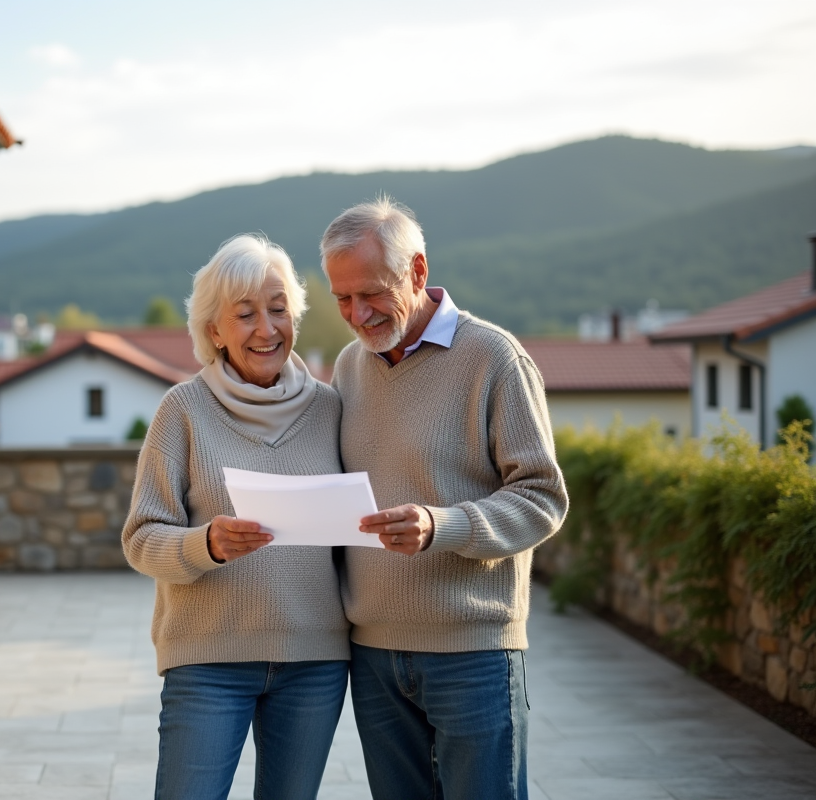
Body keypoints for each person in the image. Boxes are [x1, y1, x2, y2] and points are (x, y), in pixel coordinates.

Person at [321, 198, 569, 800]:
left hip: (473, 653)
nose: (357, 313)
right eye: (342, 299)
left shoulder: (494, 357)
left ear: (418, 271)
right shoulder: (349, 367)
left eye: (372, 293)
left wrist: (444, 525)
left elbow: (542, 496)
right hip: (374, 657)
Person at [122, 234, 349, 800]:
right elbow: (141, 538)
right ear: (214, 331)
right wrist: (207, 545)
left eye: (278, 310)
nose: (266, 329)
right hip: (208, 663)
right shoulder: (183, 411)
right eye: (245, 314)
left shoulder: (331, 408)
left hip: (314, 662)